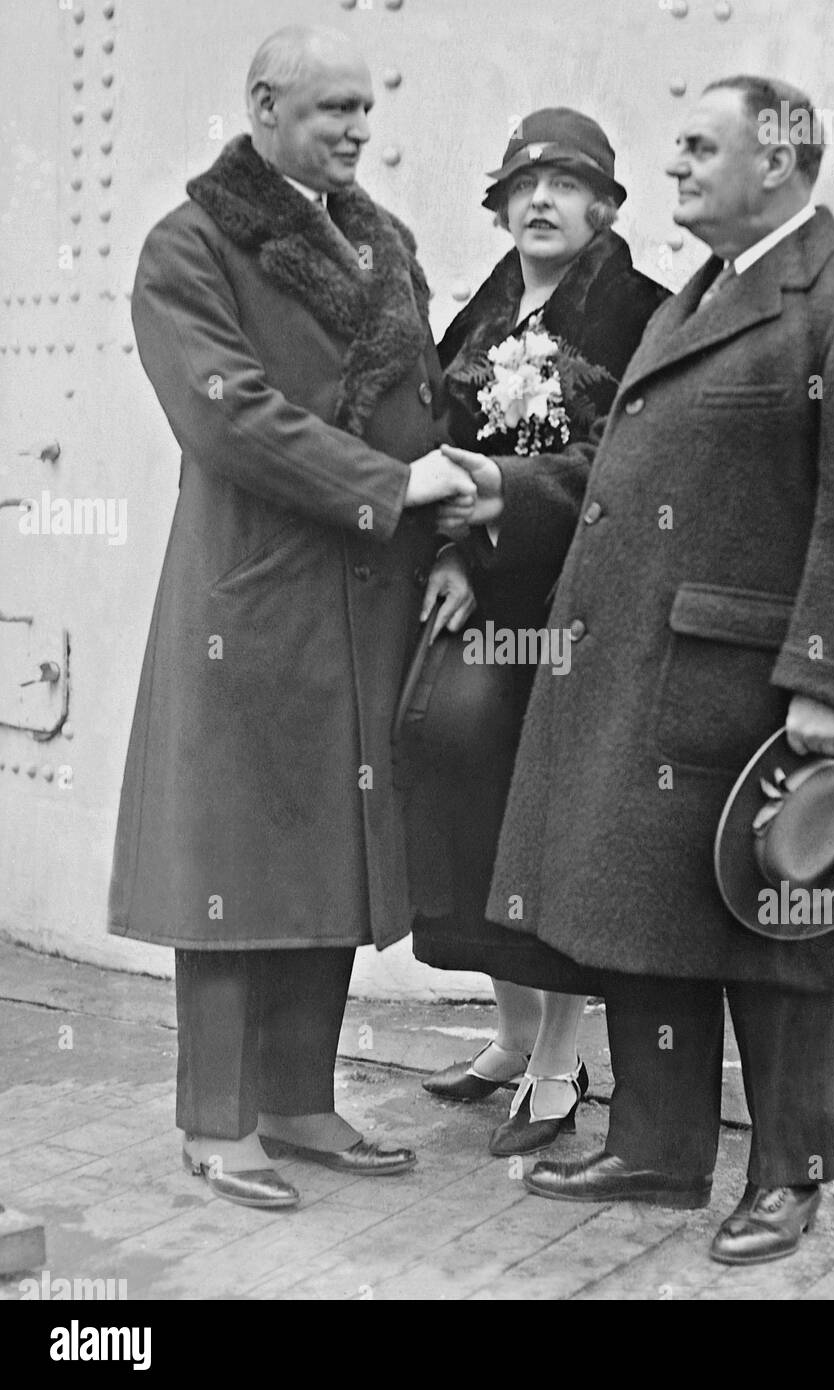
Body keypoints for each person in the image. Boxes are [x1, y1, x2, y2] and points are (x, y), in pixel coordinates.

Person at [466, 75, 834, 1262]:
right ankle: (659, 1145)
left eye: (695, 147)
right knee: (642, 915)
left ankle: (788, 1174)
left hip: (756, 686)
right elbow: (622, 477)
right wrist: (501, 485)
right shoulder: (699, 294)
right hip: (643, 674)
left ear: (777, 161)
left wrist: (829, 686)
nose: (670, 167)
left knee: (776, 927)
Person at [108, 25, 476, 1210]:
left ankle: (300, 1102)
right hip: (252, 597)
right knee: (231, 856)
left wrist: (461, 517)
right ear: (263, 106)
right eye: (333, 111)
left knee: (327, 845)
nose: (359, 130)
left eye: (366, 110)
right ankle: (218, 1121)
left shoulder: (381, 245)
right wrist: (387, 488)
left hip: (361, 597)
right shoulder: (190, 246)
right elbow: (228, 415)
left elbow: (414, 404)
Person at [412, 109, 669, 1156]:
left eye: (565, 184)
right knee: (467, 804)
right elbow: (432, 444)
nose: (540, 202)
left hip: (580, 612)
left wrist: (507, 503)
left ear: (605, 206)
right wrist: (445, 554)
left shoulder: (641, 314)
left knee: (557, 831)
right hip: (484, 603)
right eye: (523, 185)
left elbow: (634, 463)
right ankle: (513, 1035)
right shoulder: (480, 314)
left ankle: (565, 1063)